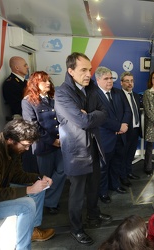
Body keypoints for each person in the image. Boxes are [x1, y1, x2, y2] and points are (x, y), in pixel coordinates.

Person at [54, 52, 111, 245]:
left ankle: (93, 216)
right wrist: (89, 117)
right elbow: (82, 120)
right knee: (77, 194)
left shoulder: (92, 88)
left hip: (94, 147)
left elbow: (104, 112)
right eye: (83, 70)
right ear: (70, 71)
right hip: (76, 153)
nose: (89, 74)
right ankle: (76, 229)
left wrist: (90, 115)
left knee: (94, 187)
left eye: (90, 69)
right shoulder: (62, 93)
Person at [0, 119, 55, 250]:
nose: (27, 149)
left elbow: (17, 175)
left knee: (40, 188)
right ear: (10, 140)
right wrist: (29, 190)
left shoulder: (12, 149)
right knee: (27, 205)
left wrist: (39, 177)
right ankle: (23, 248)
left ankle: (33, 230)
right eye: (26, 145)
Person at [21, 71, 66, 215]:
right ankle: (44, 205)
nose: (48, 83)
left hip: (60, 143)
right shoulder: (28, 101)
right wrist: (52, 141)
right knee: (45, 176)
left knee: (62, 171)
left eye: (49, 81)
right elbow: (33, 126)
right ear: (35, 84)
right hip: (44, 146)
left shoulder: (54, 98)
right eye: (44, 81)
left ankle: (50, 200)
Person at [95, 66, 131, 203]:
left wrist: (125, 125)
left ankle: (115, 185)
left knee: (117, 163)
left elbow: (127, 110)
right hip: (105, 138)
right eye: (106, 79)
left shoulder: (118, 92)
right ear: (98, 80)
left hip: (121, 136)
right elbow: (99, 117)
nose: (110, 81)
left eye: (111, 78)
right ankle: (103, 192)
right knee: (103, 168)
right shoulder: (94, 95)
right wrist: (118, 126)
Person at [120, 72, 141, 184]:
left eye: (131, 81)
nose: (130, 83)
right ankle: (122, 176)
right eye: (127, 81)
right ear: (121, 83)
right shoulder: (118, 95)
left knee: (131, 153)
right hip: (125, 131)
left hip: (135, 129)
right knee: (123, 155)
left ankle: (129, 172)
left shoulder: (136, 96)